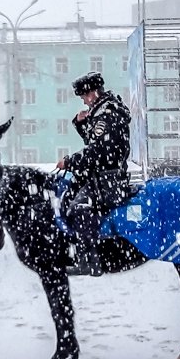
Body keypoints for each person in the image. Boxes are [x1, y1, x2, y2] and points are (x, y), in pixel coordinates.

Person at [56, 71, 131, 276]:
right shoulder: (102, 111)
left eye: (84, 96)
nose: (84, 100)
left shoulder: (106, 114)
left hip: (109, 178)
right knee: (66, 199)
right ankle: (73, 251)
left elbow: (99, 151)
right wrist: (81, 123)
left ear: (93, 93)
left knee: (79, 208)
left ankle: (90, 259)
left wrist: (70, 161)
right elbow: (94, 143)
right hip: (102, 175)